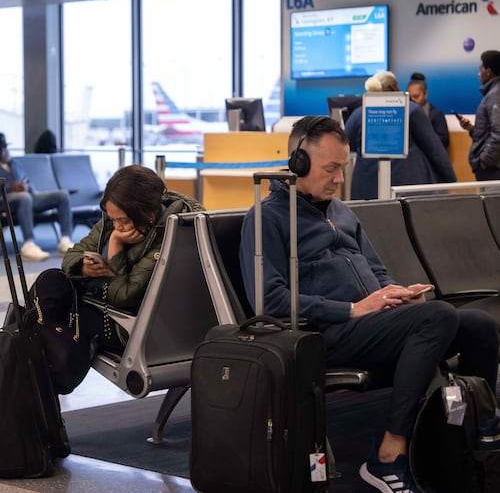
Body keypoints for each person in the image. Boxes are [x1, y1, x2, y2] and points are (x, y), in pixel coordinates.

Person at [239, 116, 499, 492]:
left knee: (478, 326)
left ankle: (471, 432)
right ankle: (389, 454)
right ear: (298, 163)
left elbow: (376, 270)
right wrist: (352, 309)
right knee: (438, 317)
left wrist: (396, 293)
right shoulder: (266, 218)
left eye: (342, 169)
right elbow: (270, 300)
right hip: (321, 335)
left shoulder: (340, 212)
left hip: (368, 325)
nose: (339, 180)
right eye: (330, 169)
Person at [30, 165, 204, 390]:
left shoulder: (171, 234)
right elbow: (72, 255)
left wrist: (115, 247)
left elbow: (124, 298)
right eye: (112, 219)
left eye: (121, 220)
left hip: (131, 326)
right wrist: (83, 268)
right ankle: (37, 366)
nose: (116, 226)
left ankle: (37, 377)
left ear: (147, 214)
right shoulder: (117, 218)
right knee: (50, 282)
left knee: (46, 326)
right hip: (105, 304)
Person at [345, 71, 456, 200]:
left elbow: (348, 143)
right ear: (395, 88)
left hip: (366, 188)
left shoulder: (359, 113)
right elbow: (433, 148)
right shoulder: (411, 110)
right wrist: (450, 178)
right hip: (406, 187)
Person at [0, 132, 74, 261]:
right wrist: (10, 187)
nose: (4, 150)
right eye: (2, 147)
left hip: (29, 196)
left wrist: (27, 187)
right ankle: (29, 243)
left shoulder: (14, 164)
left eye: (5, 147)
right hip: (5, 199)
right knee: (24, 197)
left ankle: (65, 240)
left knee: (62, 195)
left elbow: (27, 180)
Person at [457, 50, 500, 181]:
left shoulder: (495, 95)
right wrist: (472, 129)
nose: (478, 73)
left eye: (480, 68)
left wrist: (485, 160)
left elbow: (498, 133)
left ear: (488, 71)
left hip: (492, 169)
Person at [407, 72, 449, 148]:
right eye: (410, 97)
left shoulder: (436, 114)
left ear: (425, 94)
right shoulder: (405, 114)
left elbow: (444, 140)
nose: (412, 100)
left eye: (416, 97)